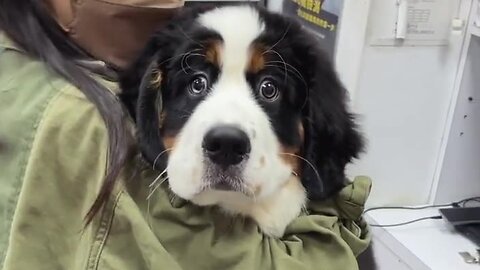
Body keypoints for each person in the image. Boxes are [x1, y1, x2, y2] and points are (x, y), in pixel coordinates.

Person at [0, 1, 372, 269]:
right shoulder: (84, 118)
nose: (227, 129)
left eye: (270, 88)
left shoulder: (31, 57)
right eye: (197, 82)